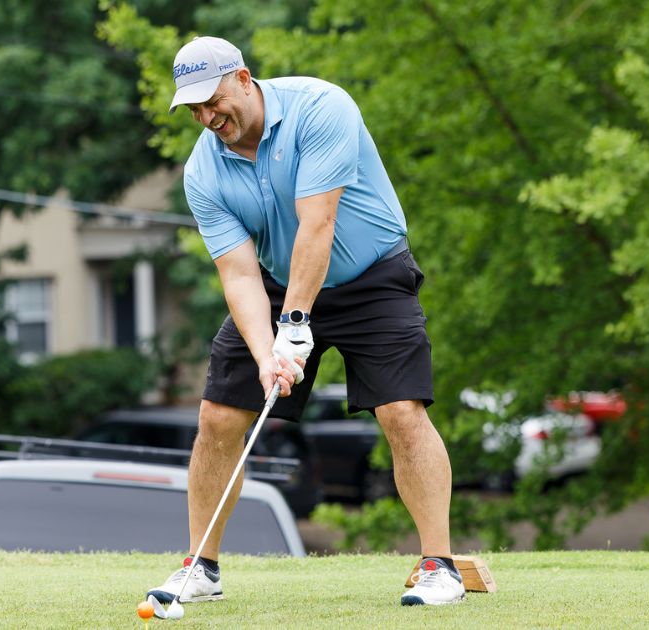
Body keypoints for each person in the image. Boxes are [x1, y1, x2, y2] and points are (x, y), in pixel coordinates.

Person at [145, 36, 465, 612]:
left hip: (370, 273)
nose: (206, 116)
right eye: (193, 108)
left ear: (243, 78)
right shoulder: (202, 170)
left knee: (400, 410)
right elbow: (239, 275)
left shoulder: (322, 107)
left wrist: (295, 323)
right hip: (272, 280)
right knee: (217, 414)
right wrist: (268, 352)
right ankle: (202, 567)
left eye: (213, 99)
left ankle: (439, 566)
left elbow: (317, 225)